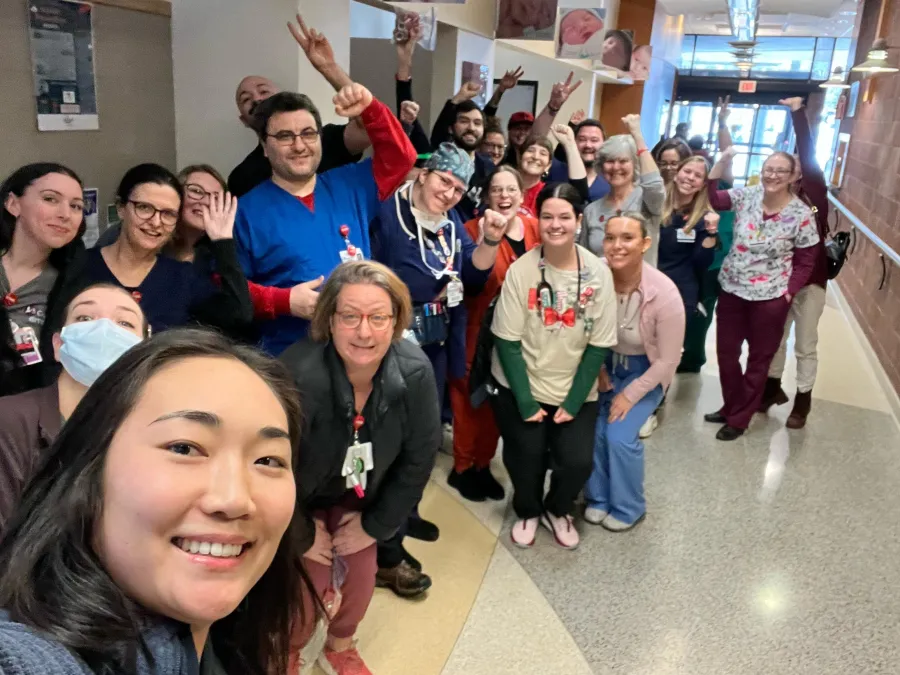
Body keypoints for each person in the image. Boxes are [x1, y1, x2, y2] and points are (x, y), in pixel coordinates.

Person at [0, 328, 308, 674]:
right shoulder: (32, 656)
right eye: (184, 448)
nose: (234, 499)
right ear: (88, 469)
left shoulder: (233, 640)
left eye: (268, 460)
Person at [280, 261, 440, 674]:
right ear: (328, 320)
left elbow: (419, 458)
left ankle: (340, 644)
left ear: (397, 321)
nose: (364, 332)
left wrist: (374, 525)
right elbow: (266, 463)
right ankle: (288, 650)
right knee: (308, 584)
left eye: (378, 317)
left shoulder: (416, 371)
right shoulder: (295, 374)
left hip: (361, 498)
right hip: (298, 500)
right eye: (349, 317)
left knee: (363, 572)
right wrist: (297, 530)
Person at [234, 82, 416, 356]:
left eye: (308, 133)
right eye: (285, 136)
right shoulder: (244, 212)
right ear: (264, 146)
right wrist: (284, 301)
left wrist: (370, 107)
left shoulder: (351, 184)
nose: (299, 145)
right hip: (292, 361)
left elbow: (401, 156)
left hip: (359, 351)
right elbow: (228, 290)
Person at [490, 184, 617, 550]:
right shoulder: (521, 270)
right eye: (547, 216)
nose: (555, 225)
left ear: (579, 221)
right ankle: (528, 509)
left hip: (575, 386)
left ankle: (558, 509)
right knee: (524, 457)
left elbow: (598, 346)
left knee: (577, 462)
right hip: (522, 383)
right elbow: (507, 342)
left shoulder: (597, 273)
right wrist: (527, 403)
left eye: (564, 217)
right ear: (537, 219)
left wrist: (574, 402)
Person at [0, 283, 147, 529]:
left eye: (124, 323)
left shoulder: (155, 432)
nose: (103, 329)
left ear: (144, 347)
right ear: (58, 345)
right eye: (84, 317)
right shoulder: (9, 420)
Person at [704, 147, 819, 441]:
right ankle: (731, 405)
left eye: (781, 170)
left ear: (793, 176)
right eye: (769, 169)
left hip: (771, 298)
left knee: (759, 359)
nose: (773, 175)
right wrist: (721, 163)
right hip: (732, 289)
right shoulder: (747, 196)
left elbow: (807, 260)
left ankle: (740, 418)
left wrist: (788, 293)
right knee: (727, 355)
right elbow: (714, 198)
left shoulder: (802, 214)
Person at [584, 213, 685, 531]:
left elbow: (668, 361)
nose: (616, 246)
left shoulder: (664, 294)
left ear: (645, 244)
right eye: (610, 237)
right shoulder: (595, 273)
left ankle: (629, 507)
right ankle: (597, 498)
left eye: (627, 238)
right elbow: (584, 326)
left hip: (647, 371)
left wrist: (630, 394)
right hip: (605, 363)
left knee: (619, 435)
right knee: (594, 431)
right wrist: (597, 366)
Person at [447, 166, 540, 502]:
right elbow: (468, 283)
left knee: (499, 402)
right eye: (497, 190)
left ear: (522, 194)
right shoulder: (469, 231)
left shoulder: (535, 229)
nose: (504, 197)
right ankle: (462, 468)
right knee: (469, 401)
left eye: (511, 189)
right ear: (486, 196)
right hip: (475, 331)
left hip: (518, 336)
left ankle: (483, 464)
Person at [77, 164, 253, 336]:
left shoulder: (184, 275)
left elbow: (239, 315)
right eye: (144, 208)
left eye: (168, 214)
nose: (155, 222)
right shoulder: (80, 266)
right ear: (121, 208)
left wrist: (223, 240)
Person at [228, 16, 370, 197]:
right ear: (243, 120)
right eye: (246, 99)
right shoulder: (242, 178)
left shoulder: (326, 140)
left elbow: (370, 127)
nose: (257, 99)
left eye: (263, 91)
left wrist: (329, 68)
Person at [762, 97, 831, 429]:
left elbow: (808, 150)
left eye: (798, 165)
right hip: (778, 282)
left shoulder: (814, 192)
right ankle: (771, 389)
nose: (796, 169)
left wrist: (797, 114)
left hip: (811, 283)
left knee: (804, 344)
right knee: (774, 339)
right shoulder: (776, 199)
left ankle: (803, 399)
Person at [1, 164, 85, 397]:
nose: (65, 214)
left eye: (76, 206)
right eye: (50, 199)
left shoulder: (74, 287)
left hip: (23, 414)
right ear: (13, 204)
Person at [679, 96, 737, 373]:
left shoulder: (721, 193)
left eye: (700, 172)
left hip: (713, 264)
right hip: (685, 263)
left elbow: (728, 153)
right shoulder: (681, 197)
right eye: (688, 170)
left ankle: (693, 358)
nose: (693, 177)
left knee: (702, 312)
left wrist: (722, 122)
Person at [582, 115, 665, 266]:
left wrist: (637, 135)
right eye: (610, 161)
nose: (615, 167)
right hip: (601, 287)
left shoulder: (648, 201)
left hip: (640, 287)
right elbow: (584, 258)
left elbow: (654, 184)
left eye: (623, 161)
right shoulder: (591, 211)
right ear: (601, 165)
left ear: (635, 165)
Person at [657, 157, 719, 318]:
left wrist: (711, 232)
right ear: (676, 174)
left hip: (681, 291)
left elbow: (702, 262)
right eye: (687, 171)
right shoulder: (655, 205)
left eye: (698, 176)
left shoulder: (703, 218)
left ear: (703, 185)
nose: (691, 178)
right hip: (651, 283)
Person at [519, 125, 589, 217]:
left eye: (543, 153)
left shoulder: (550, 193)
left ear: (548, 165)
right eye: (530, 150)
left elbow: (580, 193)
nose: (536, 157)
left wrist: (569, 144)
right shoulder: (506, 186)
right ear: (520, 158)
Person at [548, 119, 611, 203]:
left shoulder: (612, 179)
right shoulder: (555, 170)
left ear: (604, 144)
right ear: (574, 142)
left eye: (594, 140)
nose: (588, 145)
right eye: (582, 139)